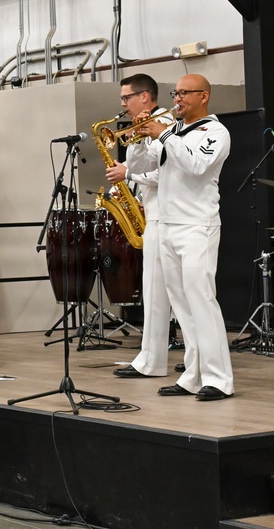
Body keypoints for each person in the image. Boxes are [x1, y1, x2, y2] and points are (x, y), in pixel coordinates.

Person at [131, 73, 233, 400]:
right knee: (182, 306)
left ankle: (219, 378)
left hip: (197, 226)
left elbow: (196, 165)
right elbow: (142, 164)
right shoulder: (172, 130)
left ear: (204, 96)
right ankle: (193, 374)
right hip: (169, 225)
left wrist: (162, 134)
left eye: (185, 93)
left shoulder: (215, 132)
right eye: (176, 93)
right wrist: (138, 135)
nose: (178, 99)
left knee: (201, 300)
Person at [106, 74, 178, 379]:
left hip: (169, 216)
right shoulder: (143, 126)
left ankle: (164, 359)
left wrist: (129, 177)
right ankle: (151, 359)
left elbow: (167, 173)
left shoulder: (167, 124)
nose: (123, 104)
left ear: (145, 96)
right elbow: (137, 164)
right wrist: (133, 151)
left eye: (127, 98)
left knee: (171, 294)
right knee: (153, 293)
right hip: (155, 217)